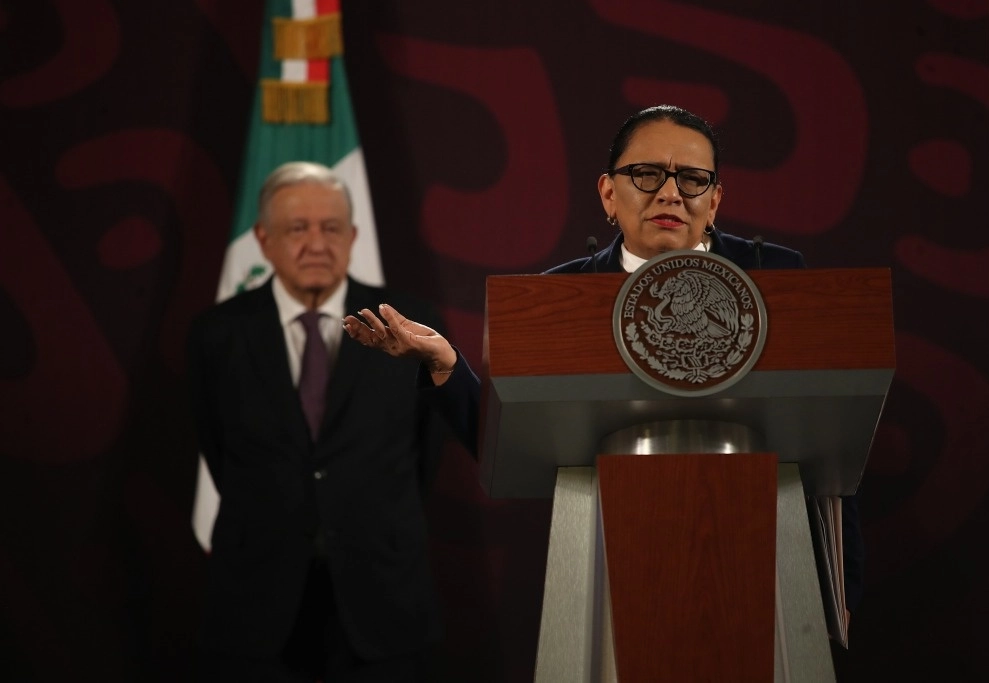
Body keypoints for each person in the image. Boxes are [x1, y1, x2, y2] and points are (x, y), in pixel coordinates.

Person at [345, 105, 864, 616]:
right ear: (609, 194)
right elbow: (509, 441)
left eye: (692, 180)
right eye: (647, 174)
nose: (670, 194)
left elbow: (822, 425)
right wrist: (447, 364)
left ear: (715, 200)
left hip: (763, 548)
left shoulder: (776, 276)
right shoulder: (562, 297)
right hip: (615, 555)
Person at [186, 161, 478, 682]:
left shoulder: (405, 325)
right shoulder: (216, 334)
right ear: (263, 239)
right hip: (256, 605)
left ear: (354, 236)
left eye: (331, 228)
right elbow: (216, 448)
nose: (316, 243)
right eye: (298, 228)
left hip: (382, 600)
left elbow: (425, 451)